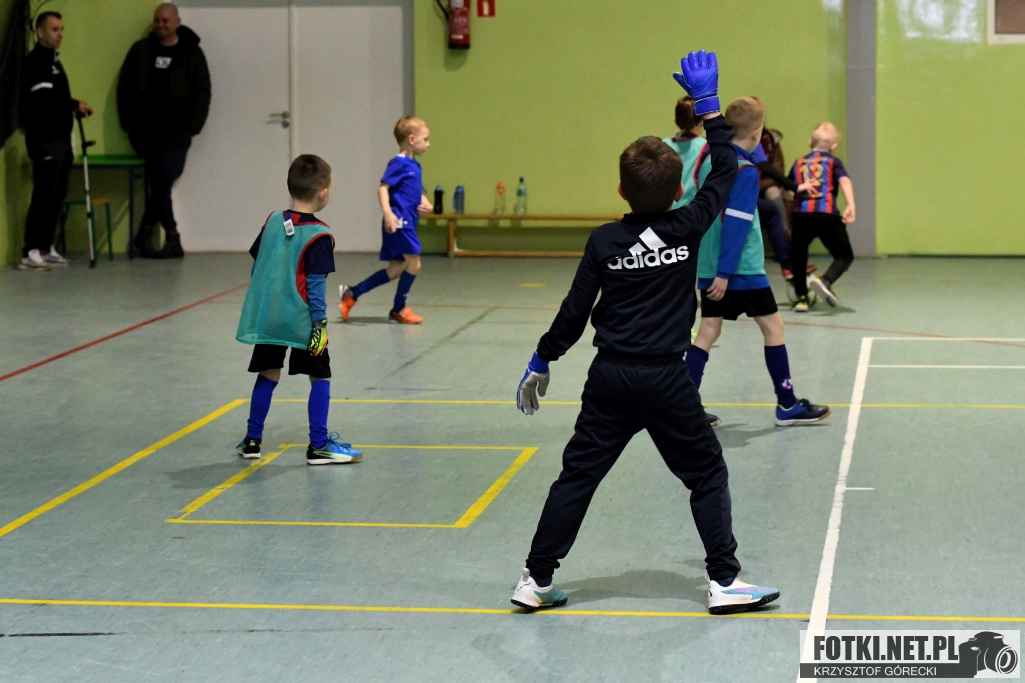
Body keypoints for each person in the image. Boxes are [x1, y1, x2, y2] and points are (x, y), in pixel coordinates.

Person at [510, 51, 779, 616]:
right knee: (706, 473)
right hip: (665, 381)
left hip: (609, 378)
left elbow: (575, 311)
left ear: (620, 189)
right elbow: (726, 170)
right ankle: (724, 581)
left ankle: (536, 579)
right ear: (680, 189)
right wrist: (710, 108)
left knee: (577, 477)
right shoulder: (688, 223)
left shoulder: (604, 241)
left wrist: (542, 358)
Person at [684, 97, 830, 428]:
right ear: (757, 132)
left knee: (708, 330)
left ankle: (684, 407)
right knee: (774, 328)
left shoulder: (710, 160)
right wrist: (725, 272)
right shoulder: (746, 171)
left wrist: (714, 268)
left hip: (710, 262)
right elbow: (736, 222)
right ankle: (787, 404)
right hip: (739, 268)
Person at [235, 155, 363, 466]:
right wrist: (320, 325)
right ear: (323, 193)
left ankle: (252, 441)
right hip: (303, 320)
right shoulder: (319, 234)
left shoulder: (273, 221)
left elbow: (258, 265)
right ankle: (319, 445)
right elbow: (315, 285)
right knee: (320, 375)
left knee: (267, 373)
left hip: (271, 317)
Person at [117, 2, 211, 259]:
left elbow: (203, 92)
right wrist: (128, 122)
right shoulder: (140, 51)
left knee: (164, 176)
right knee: (160, 179)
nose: (160, 25)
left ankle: (149, 230)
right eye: (157, 20)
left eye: (165, 21)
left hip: (178, 132)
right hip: (144, 129)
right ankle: (168, 236)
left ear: (177, 22)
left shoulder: (191, 53)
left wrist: (193, 128)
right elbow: (124, 88)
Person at [339, 116, 433, 324]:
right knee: (414, 264)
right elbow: (383, 187)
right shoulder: (398, 163)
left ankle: (352, 294)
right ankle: (399, 309)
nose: (428, 144)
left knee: (396, 269)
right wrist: (388, 213)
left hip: (408, 221)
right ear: (411, 139)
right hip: (400, 222)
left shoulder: (414, 166)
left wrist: (426, 203)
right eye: (425, 139)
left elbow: (414, 191)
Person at [18, 11, 92, 270]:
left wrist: (74, 108)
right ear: (40, 33)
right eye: (54, 29)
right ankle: (30, 251)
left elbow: (56, 101)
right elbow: (43, 101)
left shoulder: (55, 63)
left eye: (61, 29)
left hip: (61, 139)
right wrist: (73, 104)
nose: (60, 34)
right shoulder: (37, 62)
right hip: (44, 139)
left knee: (57, 195)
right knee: (44, 194)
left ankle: (46, 247)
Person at [788, 122, 856, 310]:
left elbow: (788, 190)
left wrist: (796, 194)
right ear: (834, 146)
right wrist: (851, 205)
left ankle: (802, 298)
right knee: (844, 255)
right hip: (826, 215)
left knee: (798, 257)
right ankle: (826, 280)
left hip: (801, 216)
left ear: (810, 142)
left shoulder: (799, 162)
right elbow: (845, 181)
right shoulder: (833, 162)